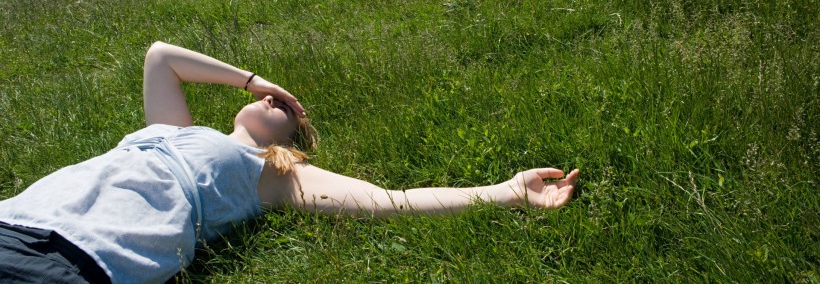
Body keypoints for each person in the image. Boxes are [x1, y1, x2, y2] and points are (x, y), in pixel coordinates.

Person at [0, 42, 580, 284]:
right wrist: (255, 79)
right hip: (17, 220)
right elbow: (161, 57)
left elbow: (390, 203)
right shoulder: (171, 129)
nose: (277, 102)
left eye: (290, 110)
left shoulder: (276, 178)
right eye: (272, 100)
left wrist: (508, 189)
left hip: (82, 259)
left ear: (296, 143)